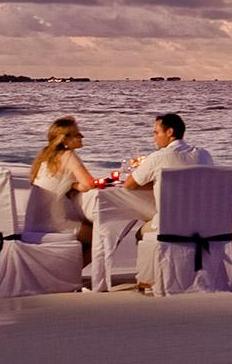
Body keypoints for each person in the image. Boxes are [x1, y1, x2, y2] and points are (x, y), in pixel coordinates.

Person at [76, 112, 215, 290]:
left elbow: (130, 184)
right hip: (206, 223)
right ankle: (186, 272)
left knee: (141, 232)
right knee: (152, 217)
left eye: (156, 132)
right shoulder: (203, 155)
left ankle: (150, 279)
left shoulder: (159, 157)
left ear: (170, 132)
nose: (154, 137)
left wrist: (145, 172)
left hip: (172, 223)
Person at [29, 116, 98, 260]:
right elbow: (88, 184)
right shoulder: (67, 155)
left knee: (89, 228)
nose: (82, 136)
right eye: (77, 134)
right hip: (54, 224)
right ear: (65, 139)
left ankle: (65, 272)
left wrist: (71, 184)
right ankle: (71, 275)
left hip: (33, 223)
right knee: (100, 236)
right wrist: (74, 185)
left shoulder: (45, 157)